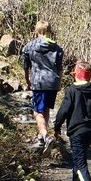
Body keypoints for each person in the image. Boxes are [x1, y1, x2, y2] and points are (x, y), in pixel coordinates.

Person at [22, 20, 64, 151]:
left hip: (39, 82)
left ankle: (46, 136)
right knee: (45, 109)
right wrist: (59, 82)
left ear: (37, 31)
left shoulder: (29, 47)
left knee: (37, 112)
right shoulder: (57, 48)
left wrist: (28, 81)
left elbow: (25, 67)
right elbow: (60, 69)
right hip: (53, 83)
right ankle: (41, 137)